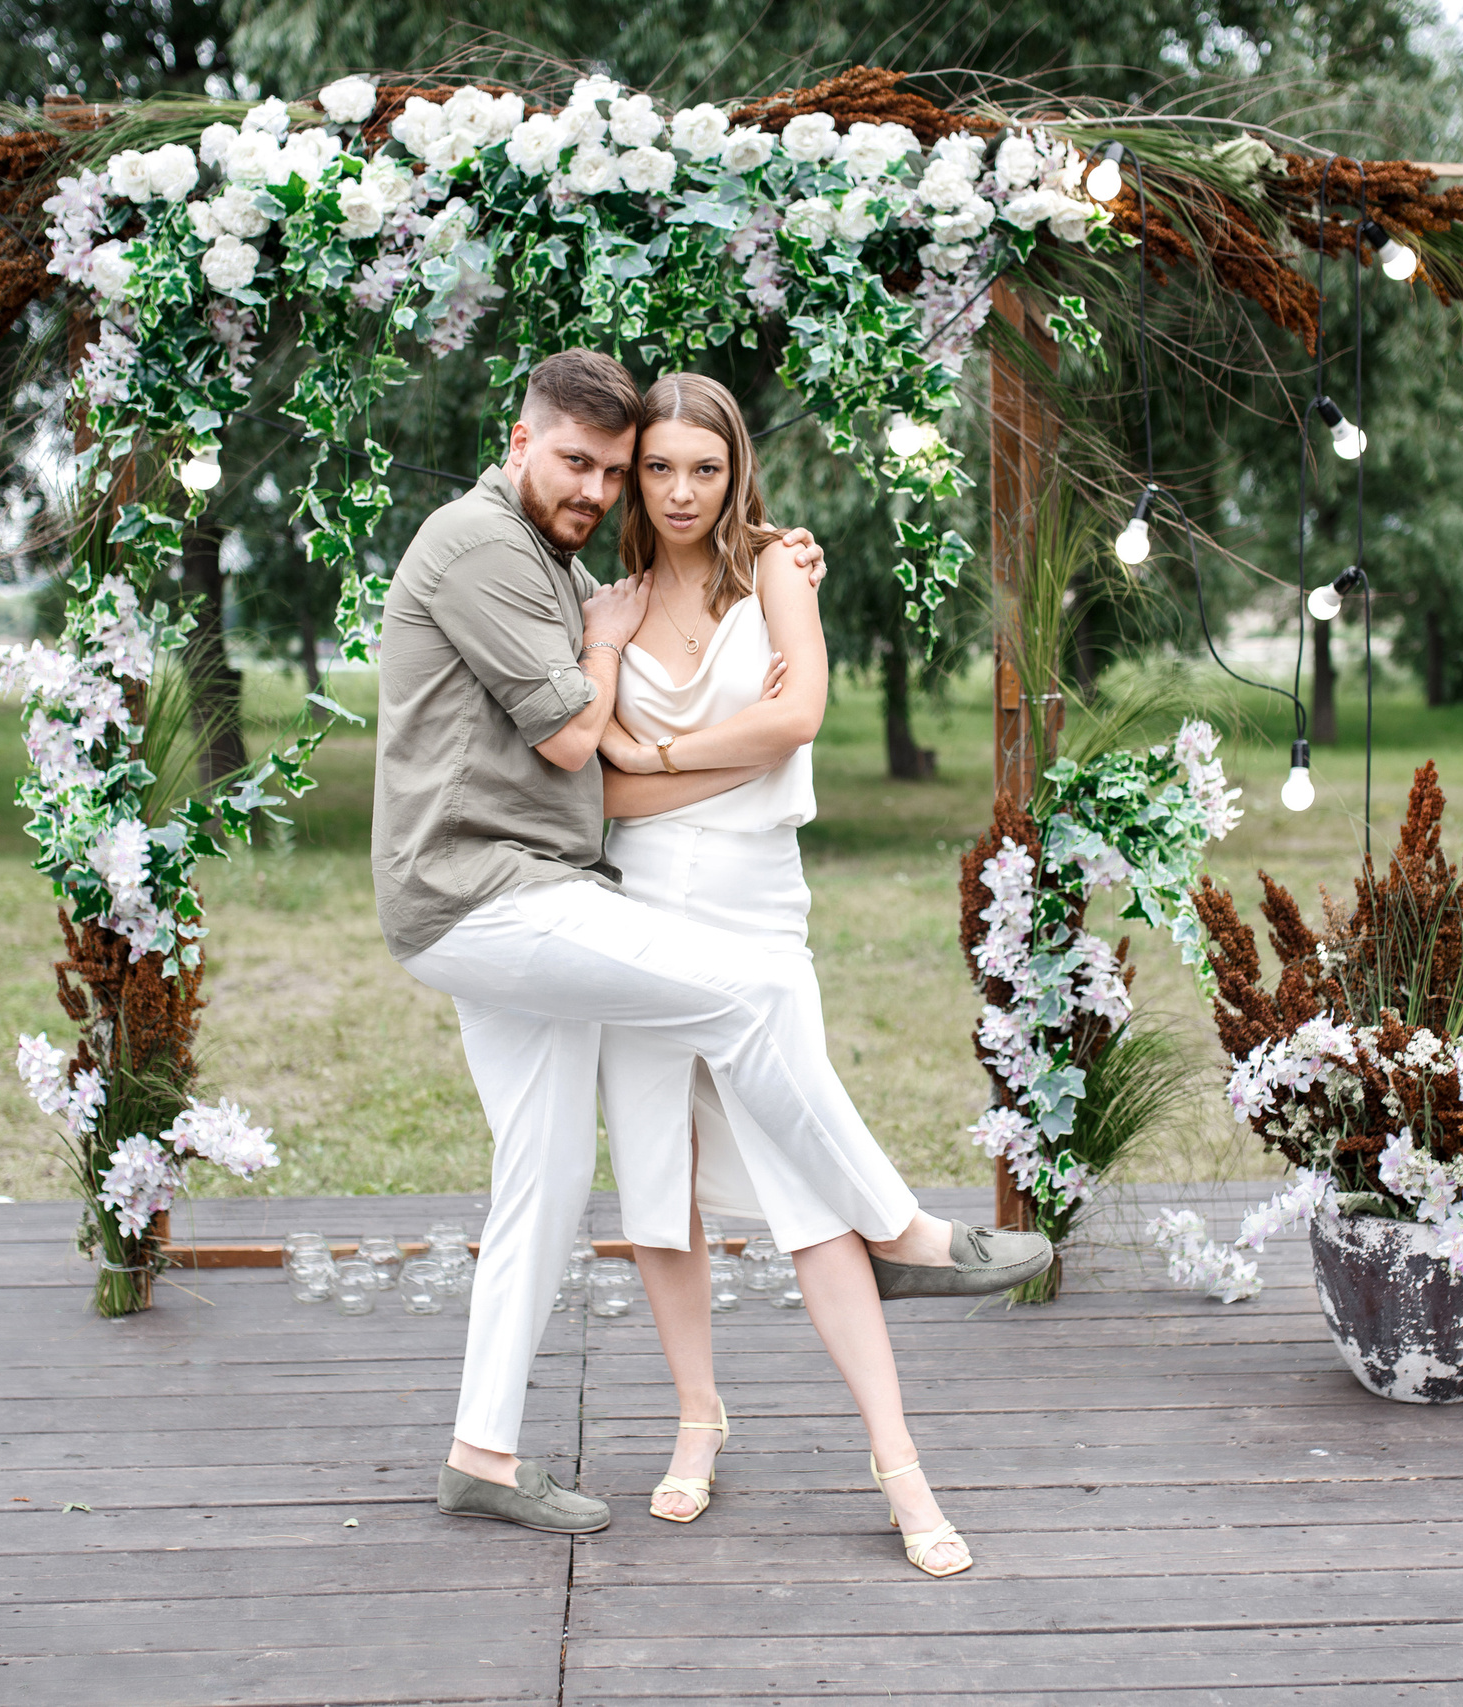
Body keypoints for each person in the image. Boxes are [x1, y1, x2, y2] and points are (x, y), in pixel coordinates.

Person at [371, 349, 1050, 1542]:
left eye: (615, 469)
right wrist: (620, 659)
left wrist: (676, 706)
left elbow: (739, 725)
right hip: (489, 895)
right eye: (583, 464)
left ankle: (481, 1453)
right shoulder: (485, 546)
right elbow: (577, 745)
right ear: (518, 441)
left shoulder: (563, 557)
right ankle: (898, 1231)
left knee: (542, 1171)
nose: (601, 488)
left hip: (541, 887)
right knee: (743, 1002)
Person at [595, 372, 1016, 1578]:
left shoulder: (778, 567)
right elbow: (596, 786)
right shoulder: (605, 603)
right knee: (656, 1183)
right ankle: (697, 1416)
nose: (682, 492)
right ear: (634, 475)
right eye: (659, 468)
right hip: (634, 913)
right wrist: (668, 753)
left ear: (737, 471)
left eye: (705, 468)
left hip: (753, 912)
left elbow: (797, 722)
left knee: (802, 1179)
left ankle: (898, 1462)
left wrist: (657, 752)